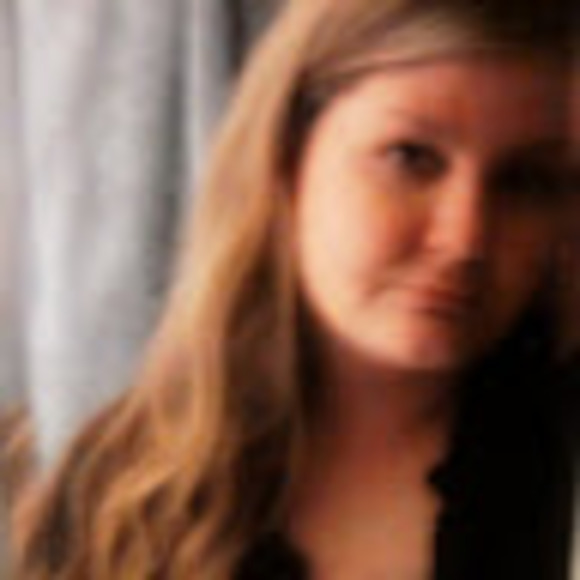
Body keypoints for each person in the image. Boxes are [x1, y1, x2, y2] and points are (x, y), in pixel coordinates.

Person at [11, 0, 578, 578]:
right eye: (411, 158)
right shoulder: (115, 491)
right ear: (286, 156)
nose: (465, 237)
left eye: (526, 181)